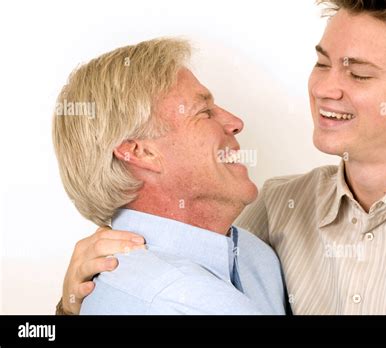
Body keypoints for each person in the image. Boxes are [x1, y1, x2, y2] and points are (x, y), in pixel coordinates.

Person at [57, 0, 386, 315]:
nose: (326, 88)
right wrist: (73, 304)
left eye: (359, 74)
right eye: (322, 63)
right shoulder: (275, 208)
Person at [52, 38, 286, 315]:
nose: (236, 123)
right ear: (141, 152)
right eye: (205, 112)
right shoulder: (176, 301)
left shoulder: (257, 256)